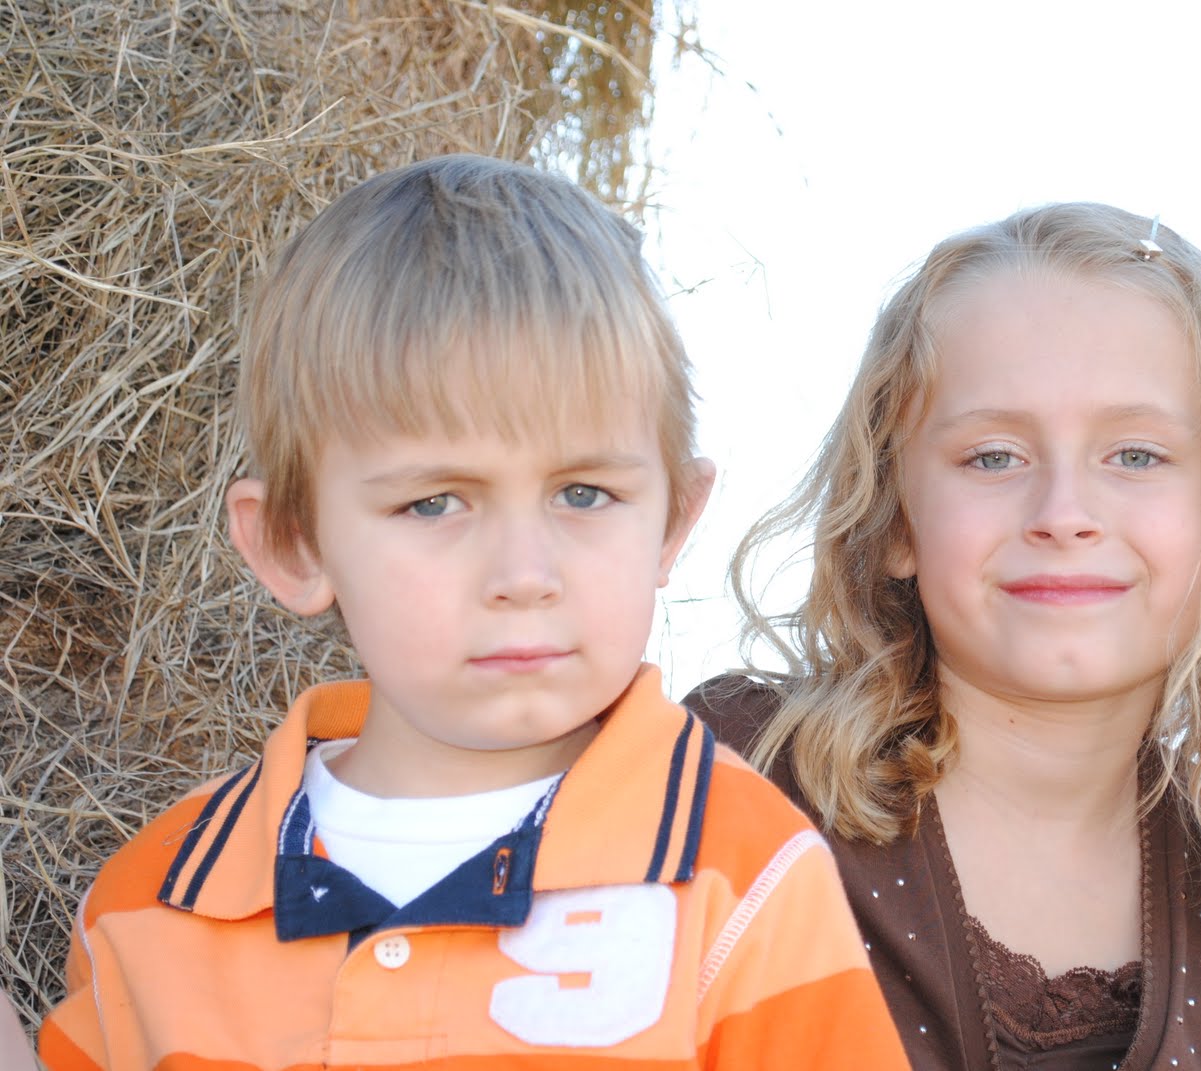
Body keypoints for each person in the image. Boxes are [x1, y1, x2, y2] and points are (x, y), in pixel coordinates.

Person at [39, 156, 907, 1071]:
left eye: (583, 493)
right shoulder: (149, 902)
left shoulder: (745, 876)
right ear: (294, 543)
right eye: (434, 503)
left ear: (672, 522)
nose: (524, 574)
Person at [685, 204, 1201, 1071]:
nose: (1063, 514)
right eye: (995, 456)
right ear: (896, 518)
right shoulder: (730, 776)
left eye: (1136, 455)